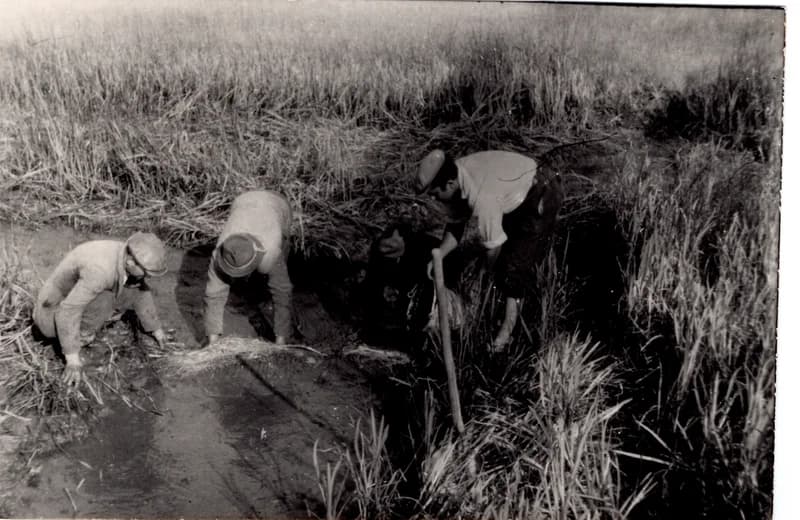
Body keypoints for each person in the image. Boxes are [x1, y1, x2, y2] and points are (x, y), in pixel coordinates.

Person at [414, 149, 563, 351]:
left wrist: (482, 277)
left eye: (435, 194)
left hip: (541, 191)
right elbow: (456, 224)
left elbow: (494, 248)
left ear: (449, 184)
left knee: (514, 266)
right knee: (503, 256)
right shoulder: (457, 176)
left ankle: (506, 333)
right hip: (516, 188)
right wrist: (439, 255)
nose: (434, 199)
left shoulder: (481, 195)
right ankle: (497, 306)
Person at [33, 232, 170, 387]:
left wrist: (156, 329)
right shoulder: (100, 271)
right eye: (146, 272)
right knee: (105, 300)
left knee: (126, 289)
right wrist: (72, 360)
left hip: (75, 295)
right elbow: (68, 310)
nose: (148, 277)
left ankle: (83, 331)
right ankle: (82, 338)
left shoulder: (125, 255)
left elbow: (140, 291)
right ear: (131, 262)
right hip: (52, 310)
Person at [203, 190, 293, 347]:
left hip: (277, 205)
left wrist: (281, 341)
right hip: (243, 202)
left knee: (278, 274)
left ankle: (264, 300)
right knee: (223, 284)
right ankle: (248, 286)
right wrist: (213, 341)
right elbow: (213, 294)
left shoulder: (271, 251)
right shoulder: (221, 251)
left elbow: (282, 292)